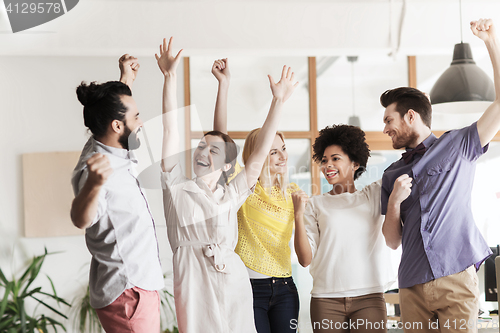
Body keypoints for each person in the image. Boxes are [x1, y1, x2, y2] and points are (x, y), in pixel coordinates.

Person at [156, 37, 298, 333]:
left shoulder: (230, 193)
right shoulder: (176, 187)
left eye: (213, 150)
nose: (202, 152)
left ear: (226, 164)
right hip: (194, 280)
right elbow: (170, 129)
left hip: (232, 279)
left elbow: (258, 155)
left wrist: (278, 101)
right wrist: (169, 77)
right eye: (200, 147)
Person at [380, 18, 500, 333]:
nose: (385, 129)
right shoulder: (392, 173)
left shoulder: (459, 144)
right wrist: (394, 202)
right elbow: (392, 241)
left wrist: (490, 42)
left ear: (410, 116)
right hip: (411, 284)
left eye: (389, 119)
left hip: (456, 277)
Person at [70, 54, 164, 333]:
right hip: (128, 290)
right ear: (117, 126)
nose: (141, 121)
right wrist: (93, 186)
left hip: (138, 285)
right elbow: (80, 219)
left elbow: (112, 113)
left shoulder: (107, 140)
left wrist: (124, 82)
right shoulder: (95, 169)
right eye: (136, 117)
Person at [209, 57, 300, 332]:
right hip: (249, 287)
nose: (281, 156)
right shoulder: (243, 188)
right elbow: (219, 140)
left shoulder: (294, 193)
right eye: (273, 151)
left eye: (283, 148)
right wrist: (224, 85)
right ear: (257, 155)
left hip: (285, 287)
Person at [292, 124, 396, 333]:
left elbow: (407, 169)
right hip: (325, 300)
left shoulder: (373, 194)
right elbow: (304, 259)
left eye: (335, 158)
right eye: (324, 160)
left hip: (369, 297)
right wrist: (297, 214)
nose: (327, 165)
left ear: (355, 163)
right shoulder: (314, 204)